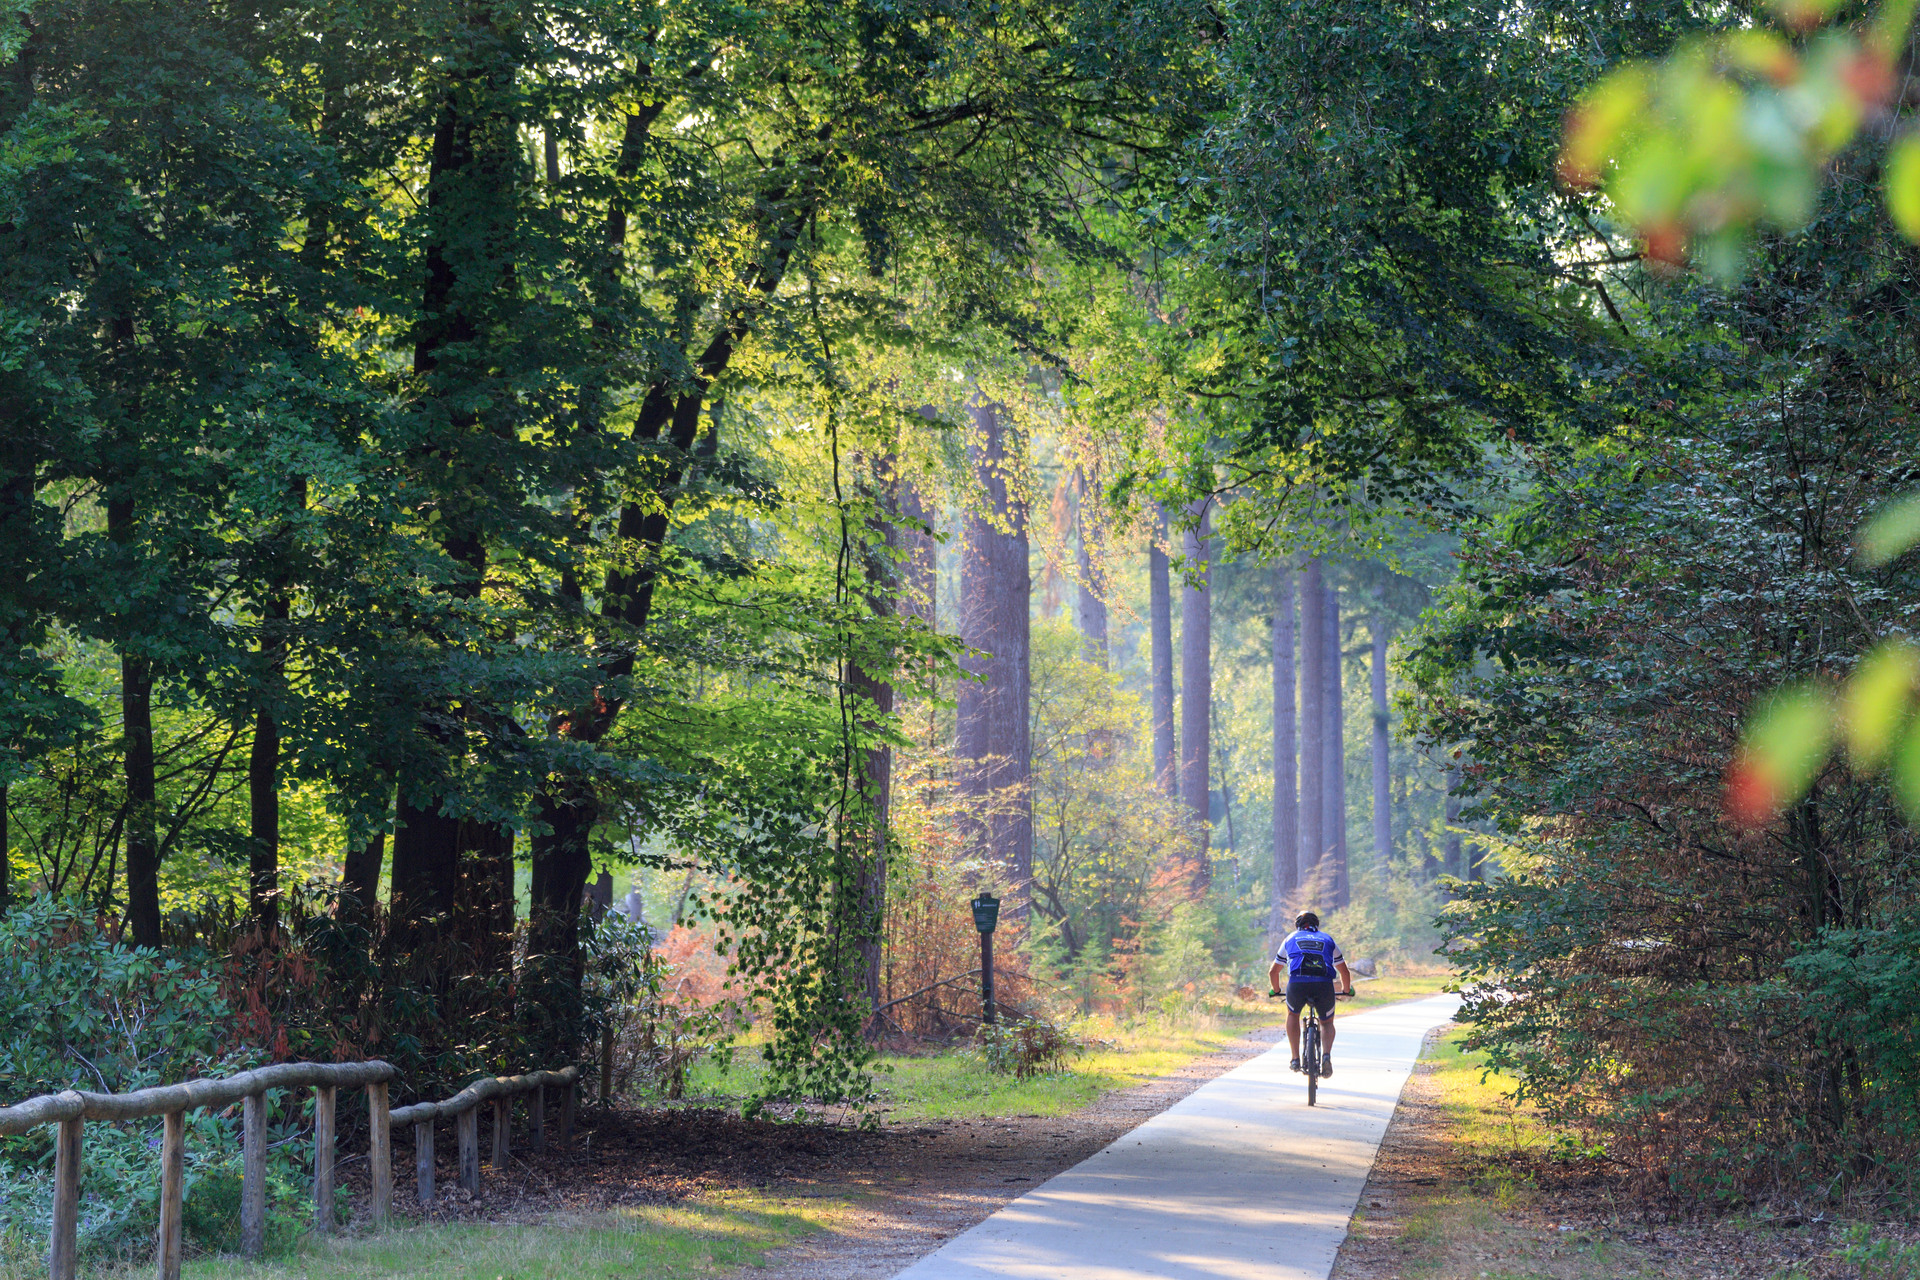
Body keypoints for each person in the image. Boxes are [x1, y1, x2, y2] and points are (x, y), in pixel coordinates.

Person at [1268, 910, 1354, 1077]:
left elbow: (1273, 972)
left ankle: (1295, 1058)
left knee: (1293, 1015)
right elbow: (1344, 972)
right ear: (1317, 924)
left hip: (1297, 984)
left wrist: (1276, 990)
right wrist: (1346, 990)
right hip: (1323, 985)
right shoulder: (1327, 939)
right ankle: (1326, 1056)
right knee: (1327, 1022)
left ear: (1297, 925)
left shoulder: (1290, 938)